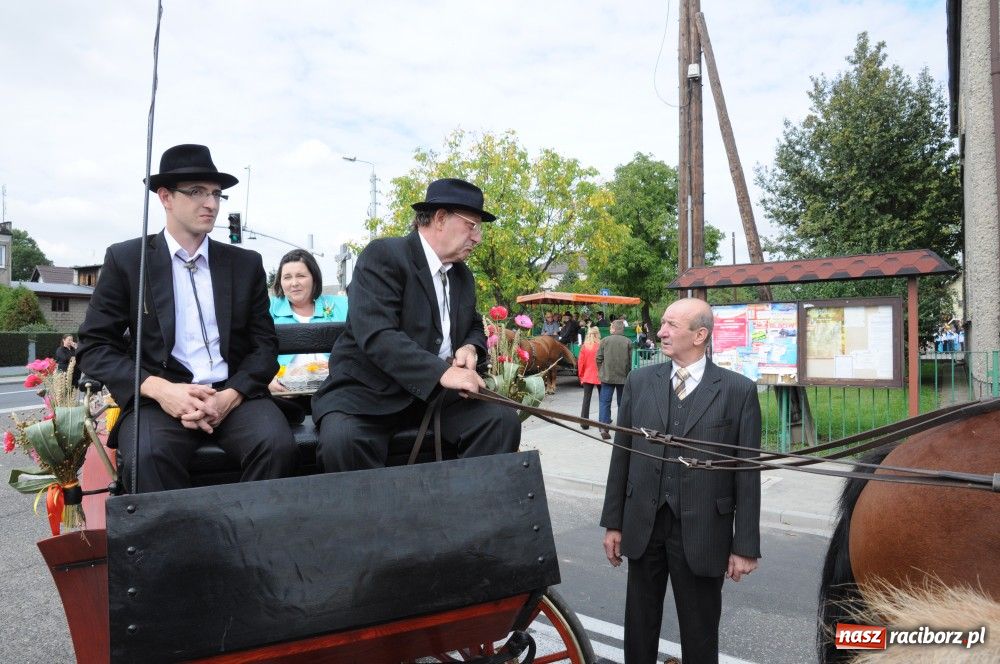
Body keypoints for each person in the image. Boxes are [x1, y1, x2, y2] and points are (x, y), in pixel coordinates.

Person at [77, 144, 298, 493]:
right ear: (165, 197)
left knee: (276, 446)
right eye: (196, 192)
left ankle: (246, 540)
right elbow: (94, 346)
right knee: (146, 457)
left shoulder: (245, 265)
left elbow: (264, 344)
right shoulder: (128, 260)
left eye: (216, 194)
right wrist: (161, 390)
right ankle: (181, 545)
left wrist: (233, 394)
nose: (210, 203)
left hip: (232, 395)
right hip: (159, 400)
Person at [311, 178, 521, 471]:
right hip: (368, 395)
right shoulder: (384, 255)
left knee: (500, 422)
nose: (478, 237)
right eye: (472, 225)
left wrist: (470, 346)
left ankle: (467, 513)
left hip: (433, 398)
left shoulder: (462, 276)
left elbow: (473, 324)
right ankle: (372, 519)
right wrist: (442, 372)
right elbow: (377, 334)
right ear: (439, 218)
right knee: (343, 441)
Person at [600, 297, 761, 664]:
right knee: (638, 627)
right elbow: (621, 455)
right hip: (644, 524)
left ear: (700, 335)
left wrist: (745, 544)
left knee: (700, 633)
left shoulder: (738, 392)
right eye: (663, 324)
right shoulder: (640, 381)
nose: (661, 332)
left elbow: (747, 472)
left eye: (672, 325)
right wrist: (613, 523)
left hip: (705, 530)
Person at [268, 248, 347, 393]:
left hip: (335, 389)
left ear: (314, 278)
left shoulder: (341, 305)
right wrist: (266, 379)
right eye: (287, 277)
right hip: (283, 392)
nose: (294, 283)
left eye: (301, 276)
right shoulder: (268, 308)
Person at [596, 319, 632, 440]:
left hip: (607, 377)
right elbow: (630, 362)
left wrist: (601, 370)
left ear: (613, 329)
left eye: (611, 327)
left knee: (605, 402)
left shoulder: (604, 341)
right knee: (622, 403)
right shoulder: (628, 342)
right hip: (623, 378)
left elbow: (598, 358)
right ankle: (622, 428)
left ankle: (604, 427)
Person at [577, 326, 602, 430]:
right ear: (597, 334)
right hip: (600, 375)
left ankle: (584, 423)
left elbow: (581, 363)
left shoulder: (584, 346)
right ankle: (603, 421)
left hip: (587, 375)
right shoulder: (600, 346)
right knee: (603, 399)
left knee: (586, 399)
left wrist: (581, 376)